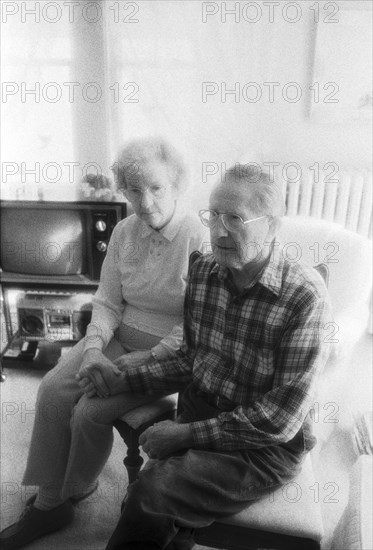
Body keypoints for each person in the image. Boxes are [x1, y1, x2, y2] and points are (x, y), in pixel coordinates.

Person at [95, 164, 334, 550]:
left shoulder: (305, 297)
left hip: (263, 446)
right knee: (154, 507)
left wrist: (184, 435)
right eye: (214, 216)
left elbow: (281, 419)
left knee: (150, 494)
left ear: (272, 225)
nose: (219, 230)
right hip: (200, 409)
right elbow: (192, 360)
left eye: (235, 218)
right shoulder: (205, 272)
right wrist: (125, 379)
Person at [0, 137, 208, 550]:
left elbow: (193, 326)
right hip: (117, 336)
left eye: (156, 188)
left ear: (177, 185)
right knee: (53, 390)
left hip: (167, 356)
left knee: (88, 413)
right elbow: (108, 302)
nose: (144, 201)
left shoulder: (198, 239)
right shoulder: (123, 231)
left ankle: (78, 486)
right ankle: (50, 502)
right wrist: (94, 349)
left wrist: (139, 363)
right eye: (132, 189)